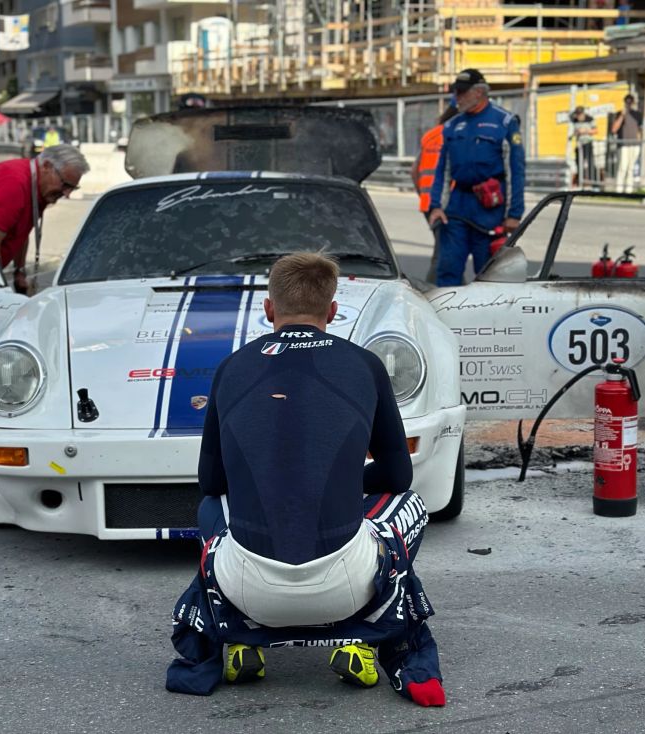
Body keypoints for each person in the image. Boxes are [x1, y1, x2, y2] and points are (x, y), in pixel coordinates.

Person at [167, 252, 446, 706]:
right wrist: (336, 483)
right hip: (346, 587)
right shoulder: (365, 365)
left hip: (246, 588)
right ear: (332, 312)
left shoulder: (232, 368)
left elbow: (210, 481)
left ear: (268, 308)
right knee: (407, 501)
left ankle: (237, 635)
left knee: (210, 505)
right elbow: (397, 473)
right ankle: (361, 634)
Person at [428, 69, 525, 286]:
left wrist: (514, 214)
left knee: (488, 276)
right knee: (447, 270)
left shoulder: (505, 123)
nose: (457, 98)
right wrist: (436, 206)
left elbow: (516, 171)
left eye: (462, 92)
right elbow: (443, 170)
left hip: (490, 210)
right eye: (456, 92)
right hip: (457, 209)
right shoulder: (452, 126)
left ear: (479, 92)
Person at [0, 144, 89, 294]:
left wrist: (19, 272)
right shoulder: (15, 183)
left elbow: (21, 232)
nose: (67, 194)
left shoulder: (39, 188)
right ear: (47, 166)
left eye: (73, 188)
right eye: (65, 185)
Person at [414, 102, 459, 282]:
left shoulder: (429, 136)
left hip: (428, 203)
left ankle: (452, 287)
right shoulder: (457, 135)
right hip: (447, 203)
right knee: (443, 253)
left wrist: (425, 196)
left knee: (447, 249)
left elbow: (414, 170)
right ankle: (433, 290)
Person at [611, 94, 643, 193]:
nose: (629, 104)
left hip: (634, 145)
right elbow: (614, 129)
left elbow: (640, 129)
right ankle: (618, 189)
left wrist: (639, 141)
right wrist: (622, 116)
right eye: (627, 102)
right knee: (622, 167)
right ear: (624, 102)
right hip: (623, 145)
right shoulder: (619, 113)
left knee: (631, 168)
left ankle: (629, 190)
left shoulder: (637, 114)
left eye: (630, 102)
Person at [571, 106, 597, 186]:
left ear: (583, 113)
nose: (579, 116)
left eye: (580, 114)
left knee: (590, 163)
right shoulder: (574, 120)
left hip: (588, 143)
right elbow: (574, 131)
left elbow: (596, 130)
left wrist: (585, 131)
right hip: (579, 145)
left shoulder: (590, 119)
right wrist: (576, 133)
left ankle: (594, 183)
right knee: (579, 164)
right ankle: (580, 182)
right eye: (577, 114)